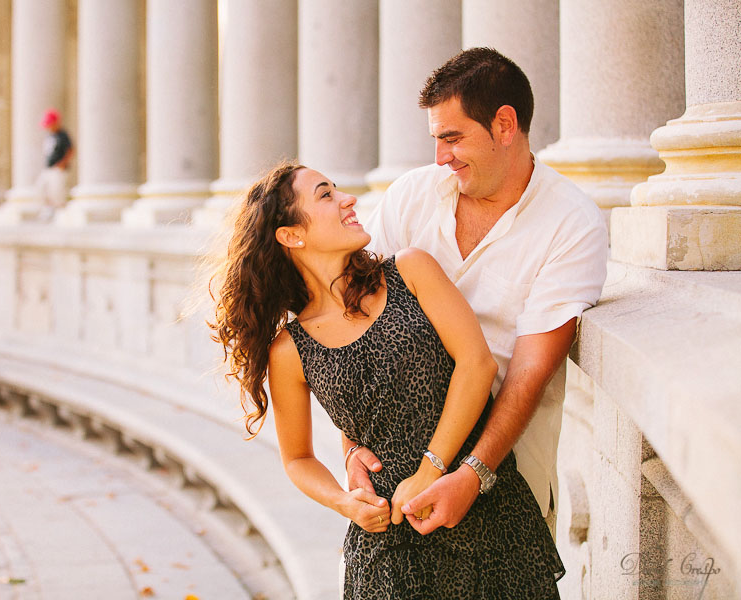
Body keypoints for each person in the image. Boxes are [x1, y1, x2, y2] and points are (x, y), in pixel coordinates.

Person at [211, 162, 564, 598]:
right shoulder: (289, 350)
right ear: (291, 235)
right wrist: (345, 501)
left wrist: (429, 469)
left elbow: (477, 365)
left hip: (482, 511)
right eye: (325, 195)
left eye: (338, 189)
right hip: (389, 545)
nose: (348, 199)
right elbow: (297, 458)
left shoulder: (410, 272)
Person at [348, 47, 609, 539]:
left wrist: (471, 476)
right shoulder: (411, 195)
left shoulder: (573, 224)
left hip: (503, 486)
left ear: (505, 126)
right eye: (436, 139)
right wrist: (350, 449)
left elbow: (529, 373)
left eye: (452, 138)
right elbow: (354, 322)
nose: (440, 157)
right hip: (393, 481)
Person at [37, 108, 73, 220]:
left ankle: (61, 212)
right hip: (48, 168)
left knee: (58, 191)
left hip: (58, 168)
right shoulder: (50, 136)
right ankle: (49, 209)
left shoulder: (62, 135)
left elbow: (70, 149)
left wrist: (63, 163)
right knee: (41, 187)